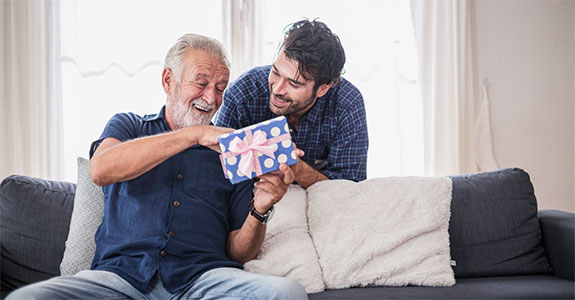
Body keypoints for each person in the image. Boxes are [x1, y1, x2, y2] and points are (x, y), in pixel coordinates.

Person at [7, 34, 308, 300]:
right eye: (201, 83)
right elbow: (100, 170)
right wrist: (193, 136)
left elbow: (239, 251)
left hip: (202, 281)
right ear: (168, 80)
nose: (212, 98)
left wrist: (261, 208)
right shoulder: (129, 126)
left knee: (287, 293)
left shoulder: (233, 149)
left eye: (220, 88)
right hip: (119, 279)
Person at [215, 19, 369, 188]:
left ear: (323, 89)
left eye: (294, 84)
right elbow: (214, 168)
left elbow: (350, 187)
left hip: (322, 200)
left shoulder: (347, 103)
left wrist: (298, 169)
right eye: (275, 72)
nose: (277, 89)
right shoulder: (243, 92)